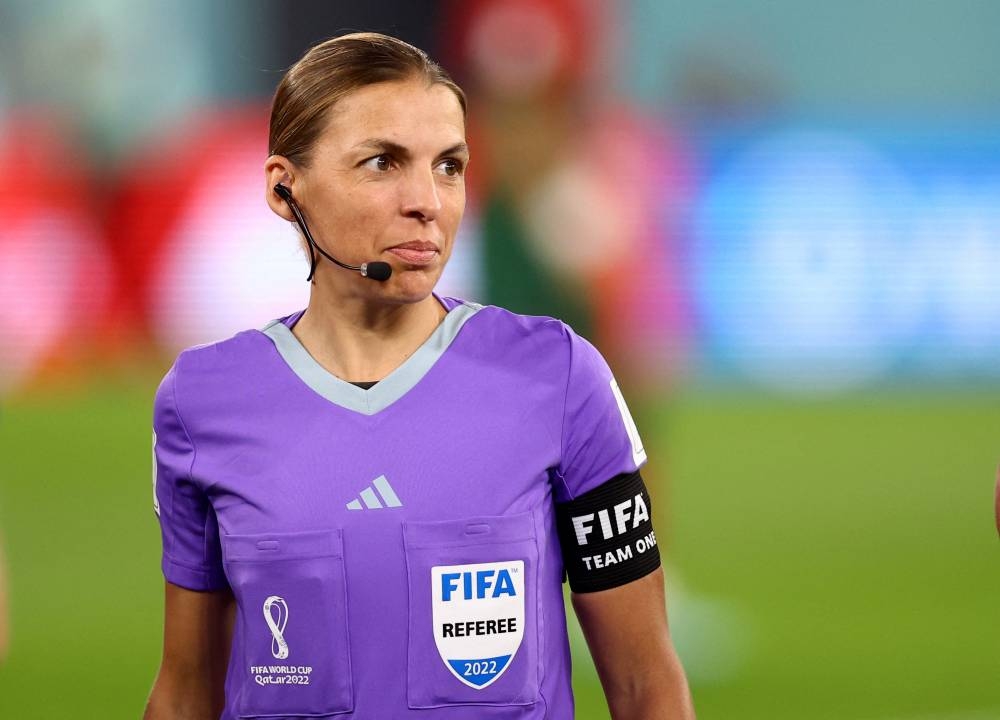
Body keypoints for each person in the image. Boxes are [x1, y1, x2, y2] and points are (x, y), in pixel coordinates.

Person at [143, 32, 694, 720]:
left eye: (449, 166)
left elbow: (647, 689)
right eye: (382, 163)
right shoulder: (203, 402)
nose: (426, 201)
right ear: (286, 190)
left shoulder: (559, 378)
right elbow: (187, 689)